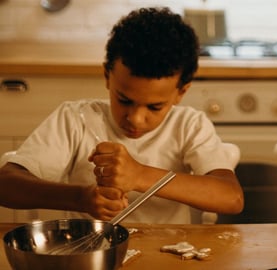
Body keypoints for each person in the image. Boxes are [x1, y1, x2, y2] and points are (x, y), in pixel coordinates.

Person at [0, 7, 244, 224]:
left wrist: (140, 175)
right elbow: (6, 184)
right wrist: (80, 198)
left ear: (181, 92)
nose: (136, 119)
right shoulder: (75, 119)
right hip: (94, 253)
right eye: (124, 100)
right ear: (107, 76)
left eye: (155, 107)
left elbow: (231, 198)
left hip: (169, 254)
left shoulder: (190, 125)